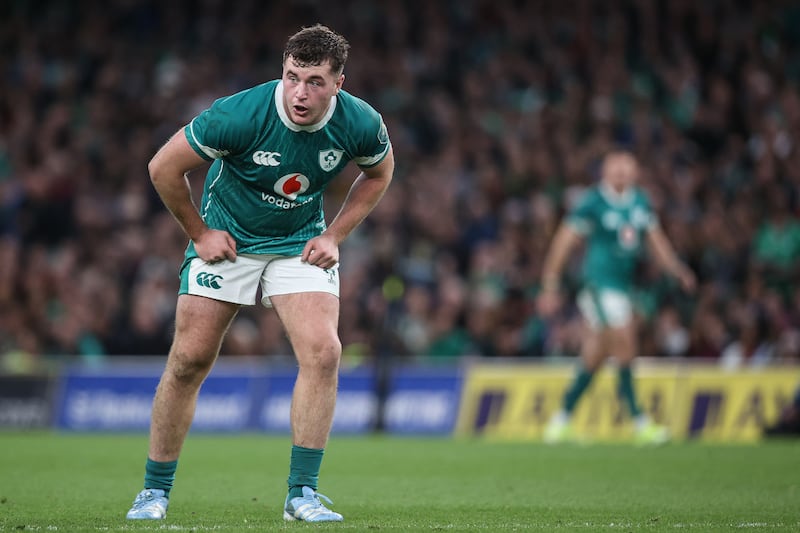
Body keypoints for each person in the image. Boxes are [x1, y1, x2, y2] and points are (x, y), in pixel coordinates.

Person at [125, 24, 394, 522]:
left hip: (298, 244)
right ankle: (153, 492)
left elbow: (379, 173)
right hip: (229, 240)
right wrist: (200, 233)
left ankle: (302, 494)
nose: (300, 92)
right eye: (292, 76)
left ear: (339, 82)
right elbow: (163, 167)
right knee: (189, 358)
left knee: (325, 352)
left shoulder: (361, 122)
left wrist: (334, 235)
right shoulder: (240, 113)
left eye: (315, 81)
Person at [538, 150, 695, 445]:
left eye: (626, 168)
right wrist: (550, 283)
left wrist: (676, 269)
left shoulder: (640, 201)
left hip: (624, 288)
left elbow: (656, 240)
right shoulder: (592, 202)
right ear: (604, 172)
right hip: (598, 285)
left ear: (635, 172)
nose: (621, 173)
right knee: (625, 342)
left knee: (596, 356)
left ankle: (561, 419)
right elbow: (563, 242)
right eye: (615, 168)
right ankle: (639, 421)